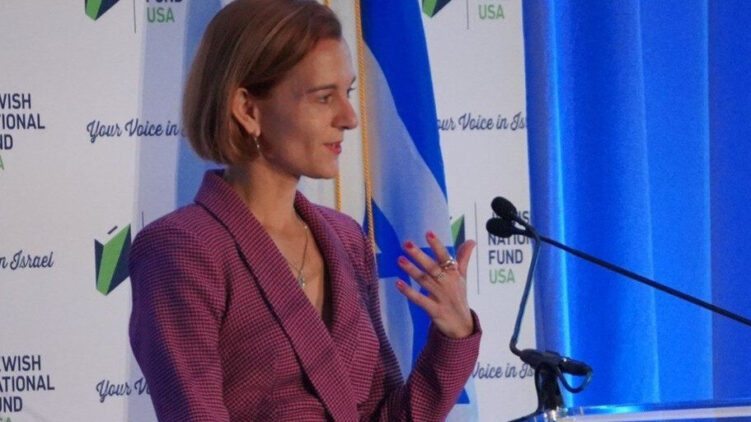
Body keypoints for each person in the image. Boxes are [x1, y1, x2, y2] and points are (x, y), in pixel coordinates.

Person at [128, 0, 481, 420]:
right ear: (248, 110)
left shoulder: (347, 240)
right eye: (324, 97)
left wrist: (454, 335)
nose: (349, 118)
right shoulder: (182, 249)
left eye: (348, 93)